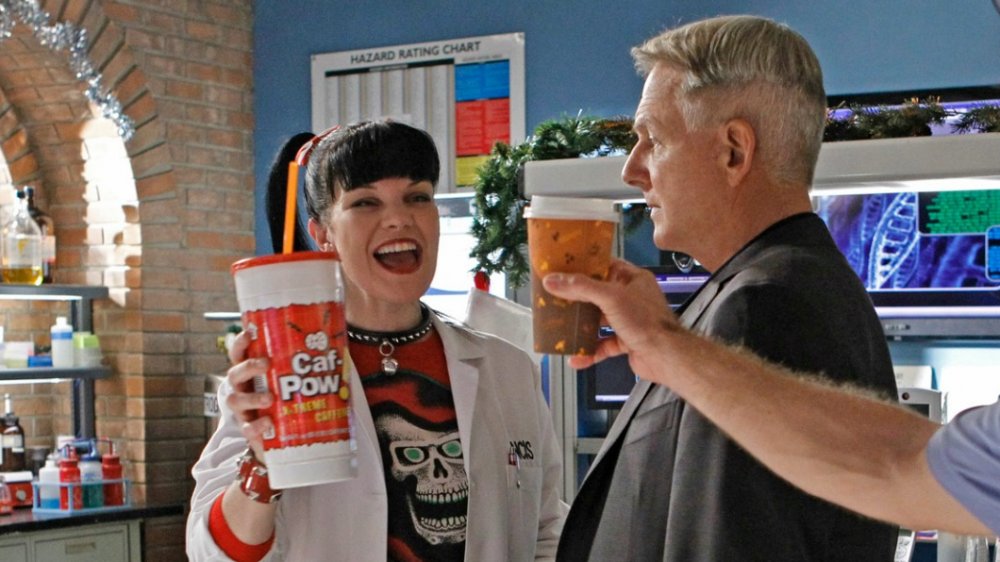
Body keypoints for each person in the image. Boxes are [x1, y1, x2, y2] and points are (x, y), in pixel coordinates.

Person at [552, 15, 900, 561]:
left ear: (733, 151)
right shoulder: (770, 288)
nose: (632, 169)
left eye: (653, 140)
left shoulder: (764, 308)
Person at [187, 120, 567, 561]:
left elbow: (545, 532)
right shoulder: (278, 380)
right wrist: (264, 461)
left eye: (417, 197)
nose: (399, 218)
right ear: (322, 234)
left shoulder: (507, 369)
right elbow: (212, 554)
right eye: (366, 202)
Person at [542, 258, 999, 537]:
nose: (633, 170)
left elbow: (896, 463)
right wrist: (666, 346)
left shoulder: (768, 296)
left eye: (656, 141)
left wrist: (668, 346)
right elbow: (899, 462)